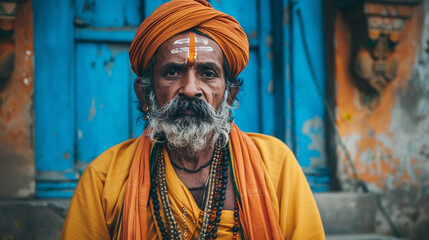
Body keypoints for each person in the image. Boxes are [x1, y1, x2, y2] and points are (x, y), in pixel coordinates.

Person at [60, 0, 325, 239]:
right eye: (173, 72)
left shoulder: (276, 164)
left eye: (208, 73)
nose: (190, 88)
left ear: (229, 95)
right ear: (145, 93)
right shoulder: (105, 178)